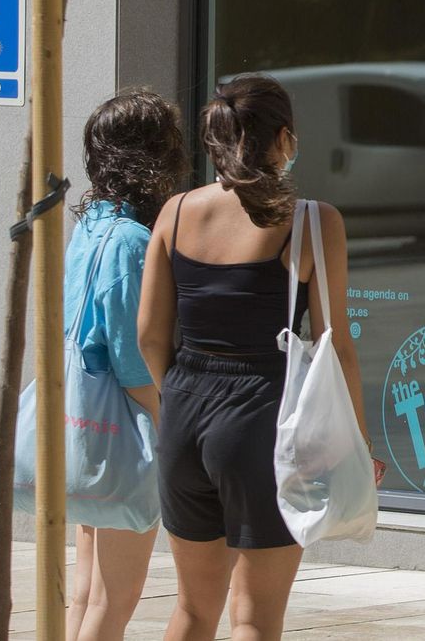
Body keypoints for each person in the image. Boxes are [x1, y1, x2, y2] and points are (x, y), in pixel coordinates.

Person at [138, 74, 384, 641]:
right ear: (285, 139)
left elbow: (150, 333)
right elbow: (334, 344)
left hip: (184, 414)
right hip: (263, 420)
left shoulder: (175, 213)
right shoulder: (313, 221)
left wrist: (176, 397)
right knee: (254, 615)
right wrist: (359, 441)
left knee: (193, 611)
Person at [64, 90, 188, 641]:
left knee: (87, 588)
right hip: (121, 433)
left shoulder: (89, 227)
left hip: (83, 425)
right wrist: (170, 433)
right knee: (115, 599)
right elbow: (137, 363)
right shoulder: (134, 242)